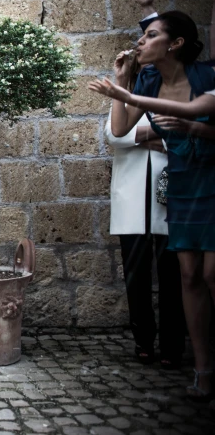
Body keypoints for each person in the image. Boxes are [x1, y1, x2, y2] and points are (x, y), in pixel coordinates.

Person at [89, 11, 215, 401]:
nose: (141, 41)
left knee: (201, 276)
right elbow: (119, 132)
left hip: (200, 181)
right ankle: (187, 363)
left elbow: (192, 116)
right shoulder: (146, 79)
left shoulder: (203, 77)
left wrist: (128, 97)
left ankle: (193, 357)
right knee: (179, 275)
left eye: (151, 35)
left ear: (174, 44)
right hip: (164, 189)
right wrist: (124, 85)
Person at [105, 50, 185, 369]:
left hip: (170, 199)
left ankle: (171, 345)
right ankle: (143, 340)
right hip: (131, 201)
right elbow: (113, 134)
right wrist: (155, 133)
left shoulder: (174, 99)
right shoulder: (125, 101)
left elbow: (185, 135)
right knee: (136, 276)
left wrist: (144, 137)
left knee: (173, 276)